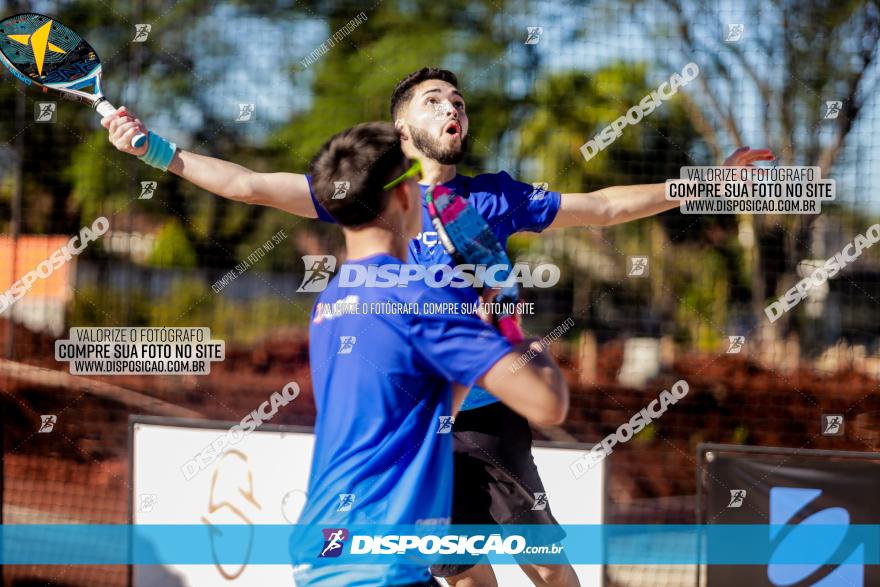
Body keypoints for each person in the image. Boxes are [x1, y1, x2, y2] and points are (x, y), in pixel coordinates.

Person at [102, 68, 773, 587]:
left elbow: (601, 206)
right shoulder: (366, 199)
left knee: (546, 565)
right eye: (432, 99)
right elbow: (248, 183)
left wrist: (705, 182)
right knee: (458, 570)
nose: (451, 107)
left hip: (485, 417)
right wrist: (157, 150)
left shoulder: (491, 198)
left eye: (457, 100)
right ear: (400, 130)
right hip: (413, 426)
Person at [286, 121, 568, 586]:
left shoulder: (331, 301)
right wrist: (511, 326)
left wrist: (478, 333)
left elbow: (427, 410)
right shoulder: (418, 298)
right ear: (402, 197)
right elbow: (548, 403)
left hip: (324, 549)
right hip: (380, 561)